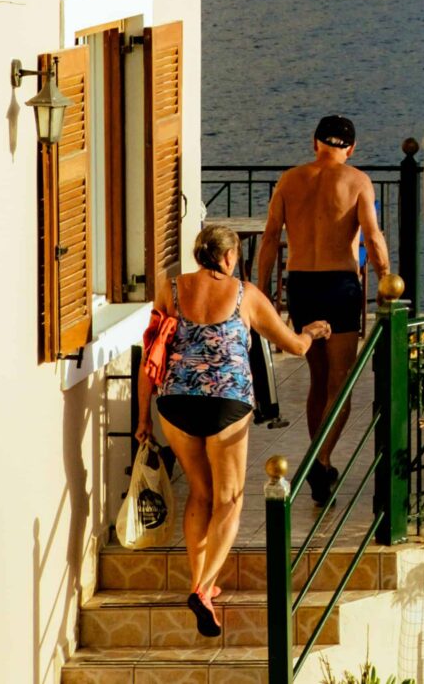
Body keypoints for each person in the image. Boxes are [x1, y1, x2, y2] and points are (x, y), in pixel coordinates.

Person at [152, 222, 328, 636]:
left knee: (200, 491)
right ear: (230, 257)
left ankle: (205, 582)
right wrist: (314, 331)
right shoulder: (245, 294)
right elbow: (294, 345)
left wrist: (144, 418)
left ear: (199, 253)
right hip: (226, 404)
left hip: (174, 401)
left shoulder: (170, 288)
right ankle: (200, 589)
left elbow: (154, 348)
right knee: (229, 498)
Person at [259, 115, 393, 506]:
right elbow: (373, 235)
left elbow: (270, 239)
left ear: (313, 142)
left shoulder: (289, 180)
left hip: (301, 283)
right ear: (351, 148)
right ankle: (322, 460)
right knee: (342, 380)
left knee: (318, 380)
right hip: (339, 286)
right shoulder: (357, 182)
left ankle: (321, 457)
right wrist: (386, 279)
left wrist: (263, 290)